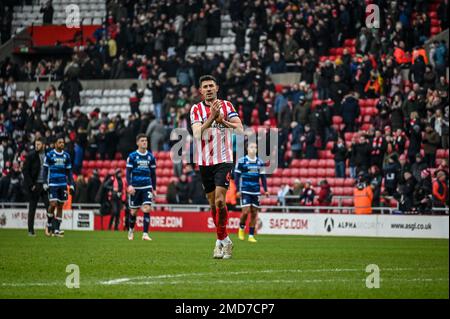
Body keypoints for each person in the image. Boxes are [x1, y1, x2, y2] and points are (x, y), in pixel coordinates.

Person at [190, 75, 243, 259]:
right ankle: (223, 240)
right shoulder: (196, 109)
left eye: (211, 85)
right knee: (213, 204)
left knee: (221, 201)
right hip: (204, 162)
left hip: (224, 160)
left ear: (217, 87)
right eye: (205, 86)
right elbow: (197, 134)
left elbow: (240, 130)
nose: (209, 89)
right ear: (201, 91)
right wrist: (212, 117)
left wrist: (223, 122)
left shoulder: (227, 106)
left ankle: (220, 242)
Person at [235, 142, 269, 243]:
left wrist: (266, 190)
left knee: (254, 213)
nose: (254, 149)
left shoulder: (260, 162)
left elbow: (263, 177)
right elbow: (236, 177)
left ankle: (251, 235)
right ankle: (241, 229)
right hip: (245, 189)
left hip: (256, 191)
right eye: (251, 147)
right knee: (245, 212)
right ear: (247, 149)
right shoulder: (241, 161)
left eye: (255, 147)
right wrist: (237, 190)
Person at [125, 134, 157, 241]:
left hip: (147, 186)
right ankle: (131, 229)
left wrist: (155, 188)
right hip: (135, 187)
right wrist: (129, 185)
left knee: (147, 208)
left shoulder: (151, 157)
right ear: (137, 143)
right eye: (142, 141)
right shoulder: (132, 156)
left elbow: (153, 174)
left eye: (146, 141)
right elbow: (128, 172)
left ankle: (145, 234)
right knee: (133, 212)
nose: (145, 142)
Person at [43, 136, 75, 237]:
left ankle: (57, 229)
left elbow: (69, 172)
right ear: (55, 144)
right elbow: (45, 170)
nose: (62, 144)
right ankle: (49, 223)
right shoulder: (49, 155)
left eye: (63, 142)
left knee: (60, 206)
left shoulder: (67, 156)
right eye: (60, 142)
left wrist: (72, 184)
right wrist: (45, 182)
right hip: (53, 183)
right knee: (53, 204)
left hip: (63, 184)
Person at [22, 137, 49, 236]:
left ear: (43, 145)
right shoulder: (31, 156)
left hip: (45, 185)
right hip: (35, 185)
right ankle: (30, 230)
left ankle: (52, 229)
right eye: (36, 144)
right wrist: (31, 185)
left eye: (38, 144)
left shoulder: (48, 155)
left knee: (49, 208)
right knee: (32, 209)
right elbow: (25, 171)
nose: (36, 146)